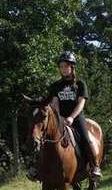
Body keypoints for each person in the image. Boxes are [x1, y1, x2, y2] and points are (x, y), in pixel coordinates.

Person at [27, 51, 101, 181]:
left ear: (72, 67)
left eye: (66, 66)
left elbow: (81, 103)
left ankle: (95, 166)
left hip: (76, 117)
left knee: (85, 138)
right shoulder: (56, 85)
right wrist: (58, 117)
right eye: (61, 67)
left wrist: (72, 117)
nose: (63, 69)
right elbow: (53, 102)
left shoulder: (80, 84)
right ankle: (35, 167)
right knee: (42, 138)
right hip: (60, 119)